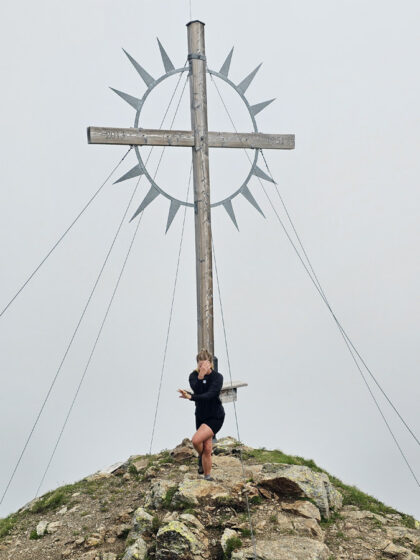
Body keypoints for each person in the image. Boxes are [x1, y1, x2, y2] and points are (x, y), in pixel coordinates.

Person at [178, 349, 225, 481]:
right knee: (207, 447)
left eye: (204, 364)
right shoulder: (193, 376)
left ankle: (201, 456)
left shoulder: (217, 377)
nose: (201, 367)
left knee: (196, 440)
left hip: (215, 416)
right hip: (200, 416)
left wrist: (190, 397)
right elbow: (198, 391)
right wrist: (200, 376)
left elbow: (210, 395)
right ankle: (207, 476)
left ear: (210, 363)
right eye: (199, 365)